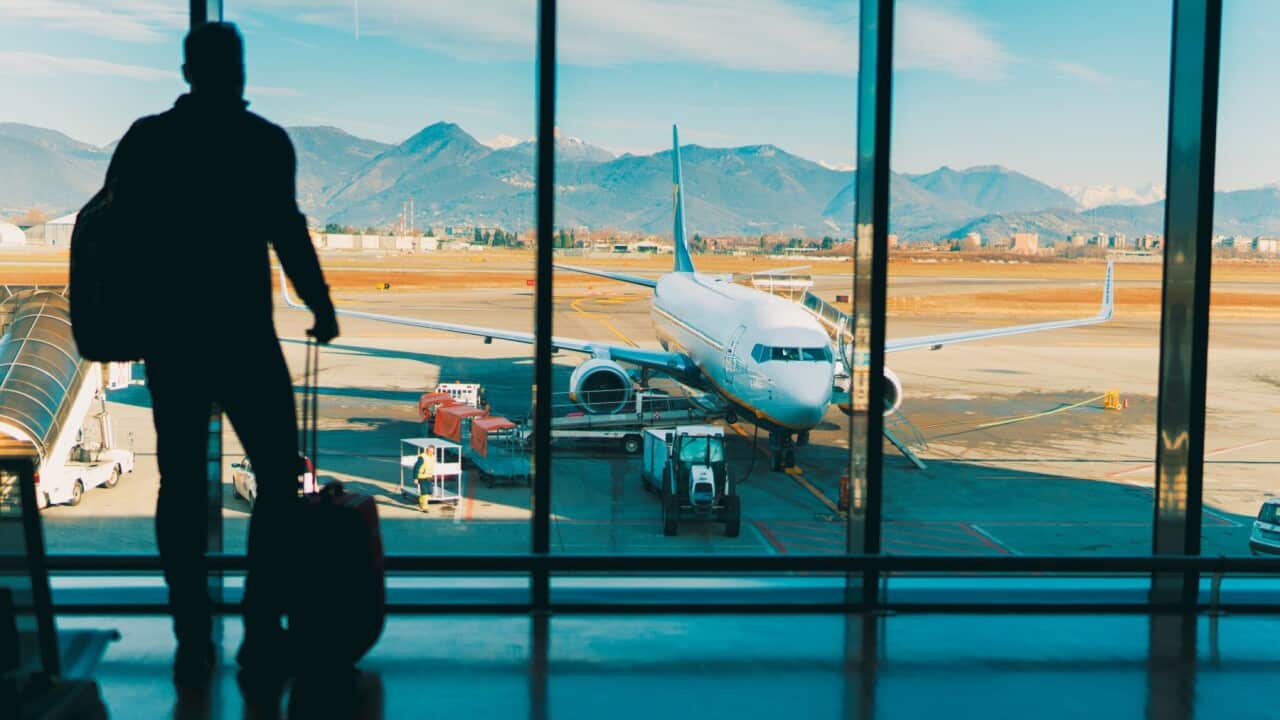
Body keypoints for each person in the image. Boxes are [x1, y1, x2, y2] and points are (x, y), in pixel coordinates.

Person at [103, 22, 339, 690]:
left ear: (186, 71)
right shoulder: (263, 143)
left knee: (179, 490)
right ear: (240, 71)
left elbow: (110, 235)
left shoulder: (148, 141)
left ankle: (190, 636)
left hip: (173, 342)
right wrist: (320, 307)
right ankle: (262, 629)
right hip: (245, 340)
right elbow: (288, 231)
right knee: (279, 482)